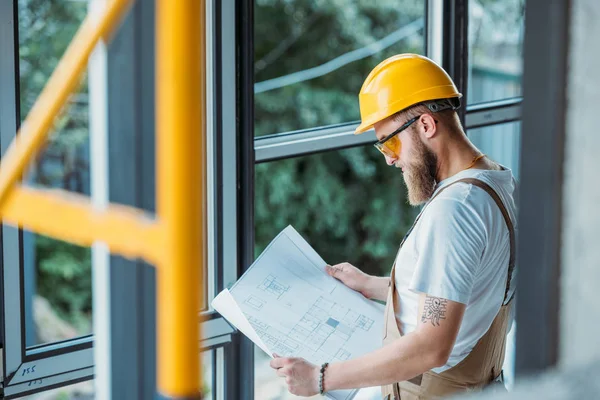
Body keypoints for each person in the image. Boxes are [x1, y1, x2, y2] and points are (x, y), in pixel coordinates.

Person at [269, 54, 518, 399]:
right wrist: (374, 285)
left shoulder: (454, 211)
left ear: (426, 125)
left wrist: (320, 378)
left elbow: (432, 348)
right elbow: (458, 291)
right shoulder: (497, 182)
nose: (388, 158)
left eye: (390, 141)